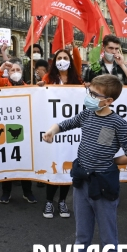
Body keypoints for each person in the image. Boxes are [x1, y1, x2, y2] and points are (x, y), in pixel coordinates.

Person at [41, 75, 127, 252]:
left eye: (95, 94)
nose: (89, 97)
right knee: (82, 236)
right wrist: (51, 131)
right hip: (81, 182)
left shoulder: (117, 123)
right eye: (89, 92)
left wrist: (110, 162)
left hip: (103, 186)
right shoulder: (87, 115)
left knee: (108, 239)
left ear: (108, 101)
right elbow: (65, 124)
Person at [0, 58, 37, 204]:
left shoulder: (29, 88)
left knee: (26, 161)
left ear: (22, 72)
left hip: (25, 130)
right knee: (7, 161)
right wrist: (1, 68)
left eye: (18, 70)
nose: (15, 72)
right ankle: (6, 192)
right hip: (7, 128)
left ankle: (27, 192)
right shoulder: (3, 84)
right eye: (12, 70)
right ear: (8, 73)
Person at [39, 49, 82, 218]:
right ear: (54, 61)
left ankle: (62, 201)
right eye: (59, 58)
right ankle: (49, 201)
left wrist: (85, 88)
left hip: (71, 130)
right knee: (54, 163)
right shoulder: (48, 79)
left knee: (68, 164)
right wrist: (40, 88)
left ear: (70, 61)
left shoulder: (76, 80)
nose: (62, 60)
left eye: (65, 58)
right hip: (53, 130)